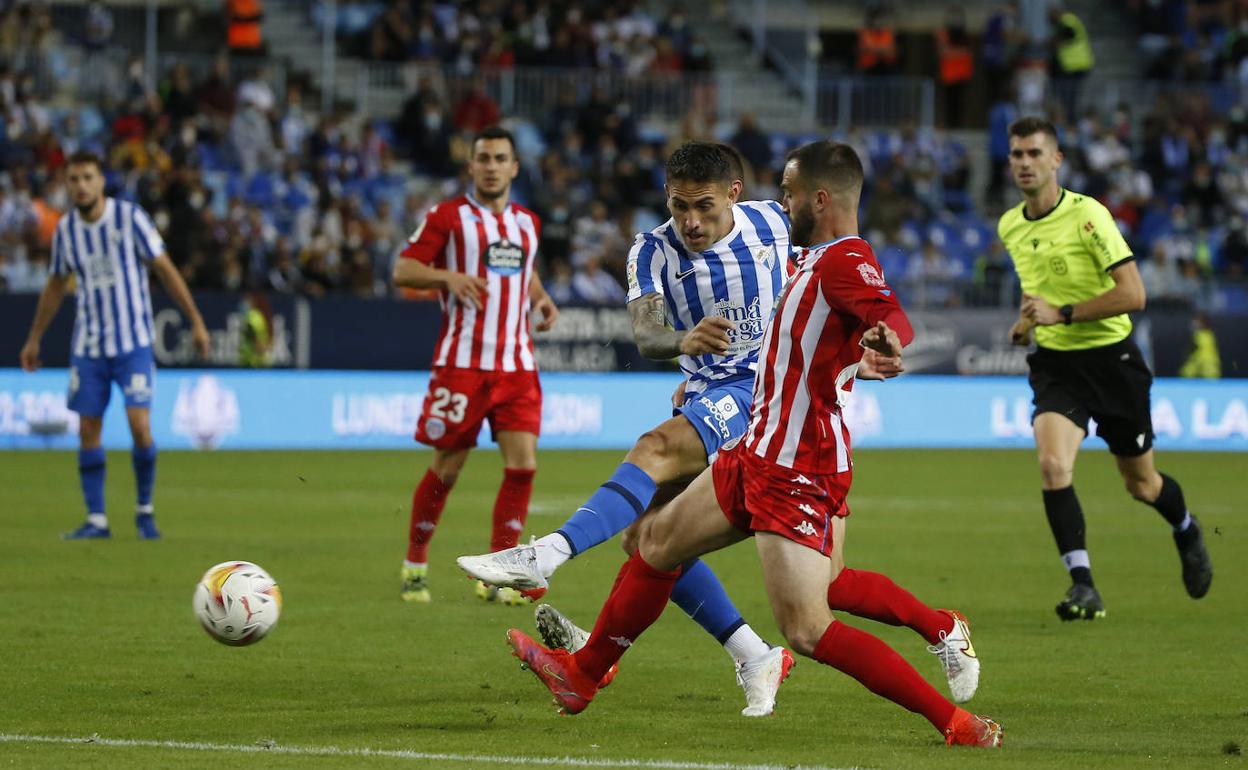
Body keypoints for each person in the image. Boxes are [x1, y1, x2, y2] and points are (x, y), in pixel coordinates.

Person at [501, 140, 1002, 748]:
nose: (779, 202)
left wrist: (887, 338)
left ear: (818, 198)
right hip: (757, 450)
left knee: (809, 628)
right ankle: (580, 676)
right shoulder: (803, 257)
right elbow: (797, 343)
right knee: (654, 542)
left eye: (789, 192)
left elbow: (890, 314)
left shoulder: (844, 259)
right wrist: (850, 360)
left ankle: (955, 724)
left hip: (796, 467)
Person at [460, 142, 802, 716]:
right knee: (648, 539)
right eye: (678, 205)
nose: (690, 221)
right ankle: (753, 653)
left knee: (653, 449)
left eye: (704, 207)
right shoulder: (651, 250)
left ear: (734, 196)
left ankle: (544, 556)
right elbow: (646, 335)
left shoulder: (774, 221)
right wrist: (683, 341)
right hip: (707, 392)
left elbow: (826, 269)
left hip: (766, 392)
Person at [1000, 116, 1213, 621]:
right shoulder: (1011, 225)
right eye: (1016, 155)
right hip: (1055, 363)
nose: (1025, 163)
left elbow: (1134, 294)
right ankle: (1083, 584)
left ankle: (1186, 528)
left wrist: (1065, 312)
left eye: (1034, 153)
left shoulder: (1088, 215)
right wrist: (1026, 323)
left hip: (1111, 362)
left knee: (1142, 484)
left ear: (1056, 160)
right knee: (1053, 466)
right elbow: (1038, 297)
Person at [392, 126, 559, 605]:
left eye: (499, 158)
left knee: (523, 466)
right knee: (447, 467)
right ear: (471, 167)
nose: (490, 166)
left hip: (517, 364)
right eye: (482, 157)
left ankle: (499, 573)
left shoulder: (528, 223)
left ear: (514, 167)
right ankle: (415, 565)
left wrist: (541, 297)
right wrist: (447, 276)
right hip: (462, 366)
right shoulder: (447, 217)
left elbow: (522, 272)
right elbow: (404, 269)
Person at [19, 150, 210, 540]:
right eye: (74, 179)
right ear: (67, 185)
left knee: (140, 426)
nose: (82, 185)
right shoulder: (67, 231)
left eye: (88, 177)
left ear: (101, 181)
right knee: (88, 428)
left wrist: (195, 319)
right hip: (89, 346)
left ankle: (144, 511)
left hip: (133, 343)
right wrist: (35, 337)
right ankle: (97, 520)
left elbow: (164, 268)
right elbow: (56, 285)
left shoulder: (129, 218)